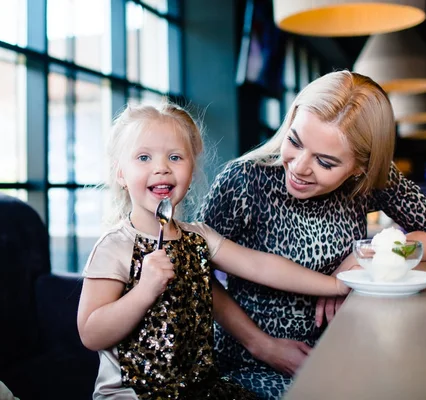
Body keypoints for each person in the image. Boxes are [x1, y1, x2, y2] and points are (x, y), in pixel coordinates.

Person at [197, 70, 426, 399]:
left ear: (360, 168)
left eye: (325, 162)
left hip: (349, 348)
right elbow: (195, 272)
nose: (299, 167)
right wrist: (261, 345)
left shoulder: (371, 181)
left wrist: (365, 258)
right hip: (252, 361)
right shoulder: (243, 180)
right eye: (294, 142)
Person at [76, 101, 356, 400]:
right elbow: (91, 334)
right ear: (121, 174)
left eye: (175, 157)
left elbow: (262, 267)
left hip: (200, 390)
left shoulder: (199, 237)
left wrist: (335, 284)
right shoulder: (115, 245)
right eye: (143, 157)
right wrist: (144, 291)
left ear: (192, 170)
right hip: (131, 394)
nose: (161, 167)